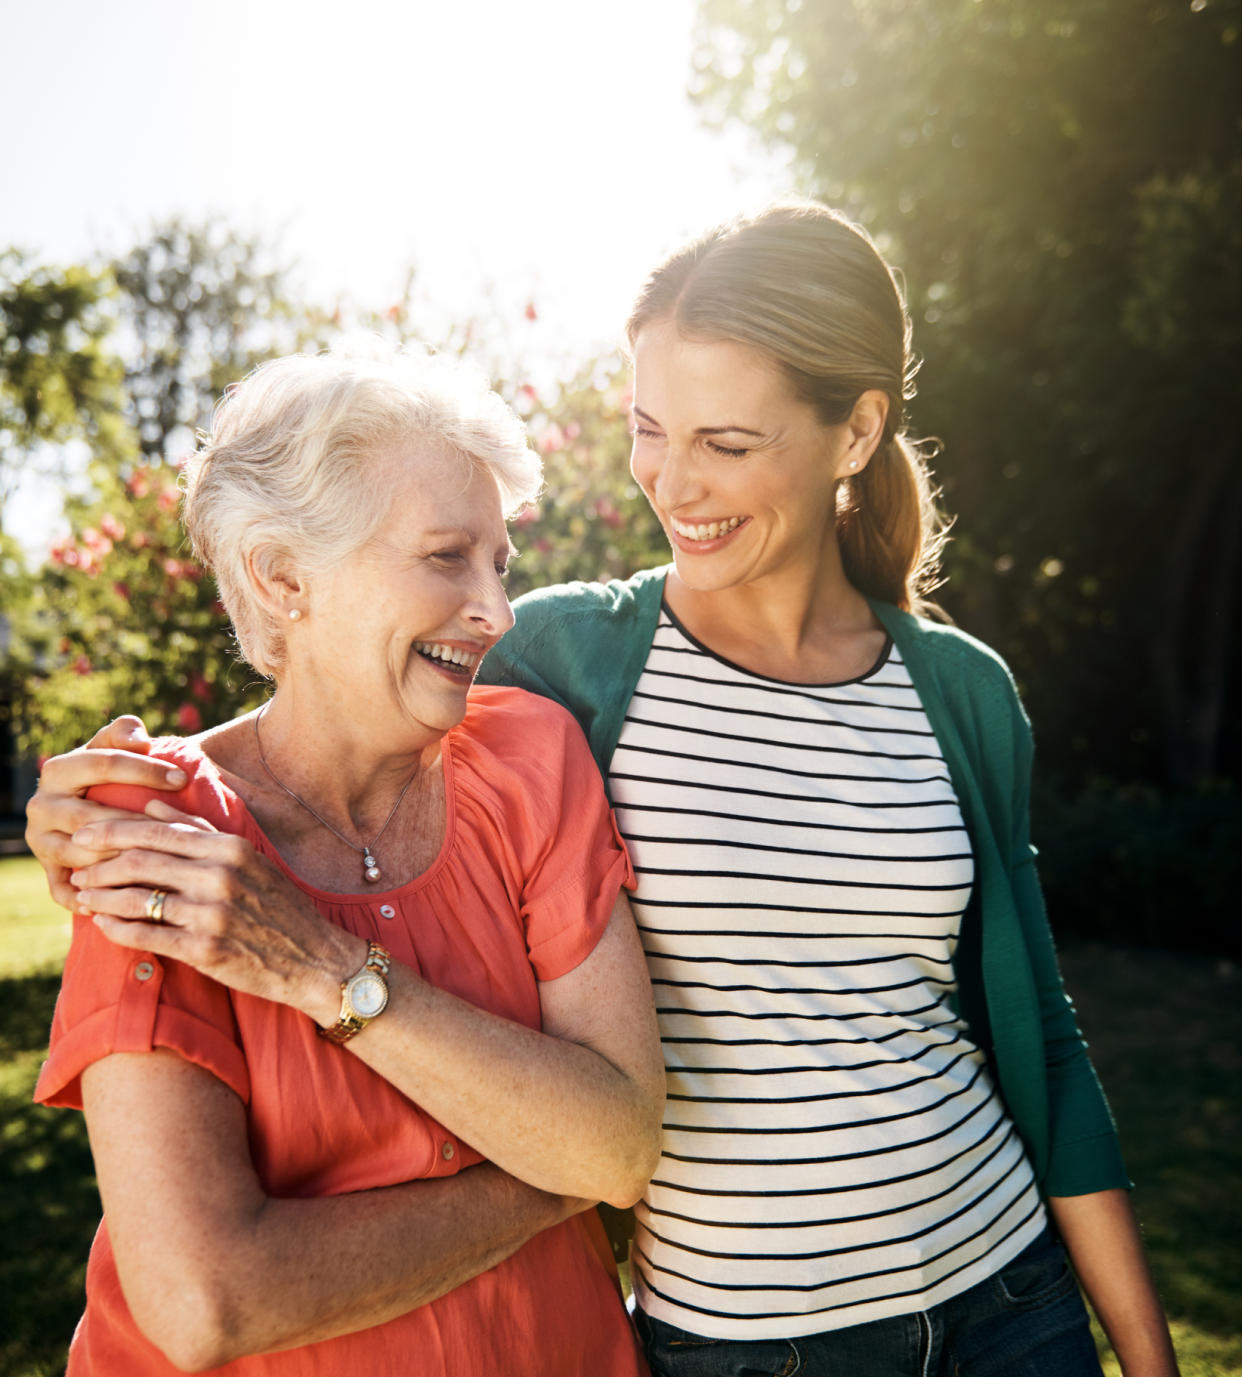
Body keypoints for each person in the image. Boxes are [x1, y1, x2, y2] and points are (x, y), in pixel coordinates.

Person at [28, 203, 1179, 1377]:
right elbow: (327, 696)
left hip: (1006, 1291)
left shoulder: (958, 692)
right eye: (648, 428)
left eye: (727, 442)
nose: (674, 484)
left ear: (855, 432)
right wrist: (117, 790)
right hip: (744, 1344)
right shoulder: (572, 661)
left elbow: (1039, 1031)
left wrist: (1144, 1349)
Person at [27, 349, 665, 1376]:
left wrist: (320, 968)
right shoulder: (157, 824)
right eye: (446, 556)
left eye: (499, 562)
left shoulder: (530, 759)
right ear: (285, 579)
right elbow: (208, 1301)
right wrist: (550, 1174)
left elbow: (621, 1142)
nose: (497, 611)